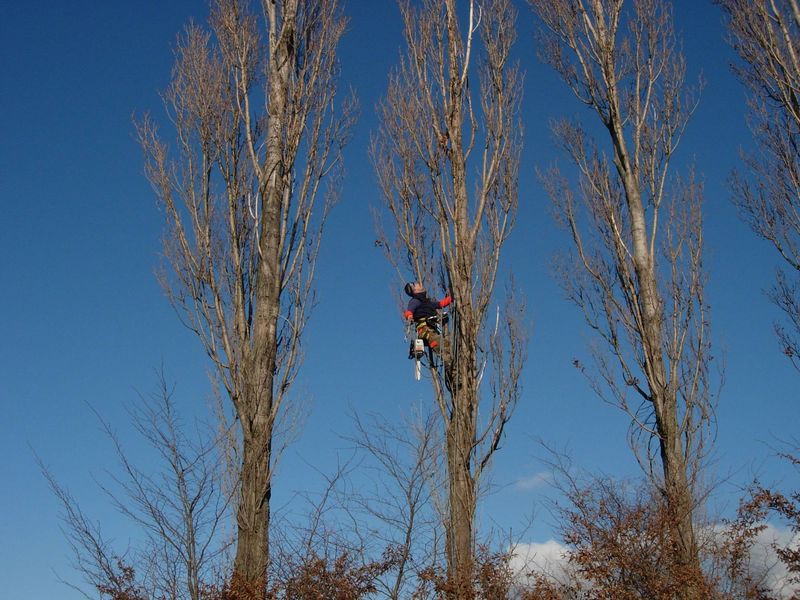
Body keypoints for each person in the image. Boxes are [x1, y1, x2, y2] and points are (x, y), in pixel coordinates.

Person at [403, 282, 452, 353]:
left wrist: (452, 298)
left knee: (446, 344)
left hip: (431, 329)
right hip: (425, 329)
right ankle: (449, 361)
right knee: (440, 344)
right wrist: (409, 316)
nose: (417, 283)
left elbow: (441, 304)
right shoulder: (415, 301)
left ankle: (450, 359)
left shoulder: (426, 302)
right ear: (415, 290)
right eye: (415, 284)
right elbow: (409, 311)